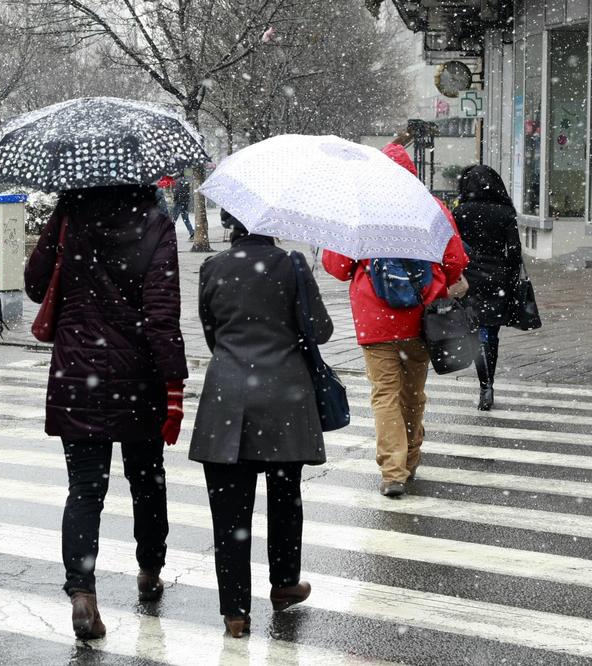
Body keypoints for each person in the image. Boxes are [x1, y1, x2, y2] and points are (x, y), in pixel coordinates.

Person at [24, 185, 188, 640]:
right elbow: (161, 312)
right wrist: (172, 382)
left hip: (77, 369)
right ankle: (150, 569)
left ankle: (82, 593)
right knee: (147, 478)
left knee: (85, 489)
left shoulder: (69, 214)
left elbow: (36, 285)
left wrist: (59, 226)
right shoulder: (155, 221)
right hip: (138, 372)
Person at [191, 211, 332, 637]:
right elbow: (321, 330)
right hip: (284, 398)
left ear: (227, 221)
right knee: (285, 497)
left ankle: (235, 613)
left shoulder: (212, 267)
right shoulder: (291, 265)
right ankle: (284, 583)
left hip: (227, 397)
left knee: (229, 514)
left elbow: (211, 331)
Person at [322, 142, 468, 498]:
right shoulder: (430, 206)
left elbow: (337, 267)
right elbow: (455, 261)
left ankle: (393, 471)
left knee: (384, 395)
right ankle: (411, 457)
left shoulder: (361, 211)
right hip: (421, 320)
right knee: (413, 393)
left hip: (375, 322)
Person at [453, 165, 522, 411]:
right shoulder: (505, 213)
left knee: (476, 331)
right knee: (491, 333)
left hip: (469, 278)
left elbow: (453, 248)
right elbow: (514, 252)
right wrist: (511, 277)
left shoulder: (460, 212)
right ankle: (489, 381)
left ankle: (485, 385)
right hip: (497, 278)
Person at [171, 174, 195, 238]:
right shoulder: (186, 181)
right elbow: (187, 193)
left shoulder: (176, 182)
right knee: (186, 219)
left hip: (178, 203)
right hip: (185, 203)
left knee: (173, 219)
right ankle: (192, 232)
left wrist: (175, 199)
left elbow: (176, 193)